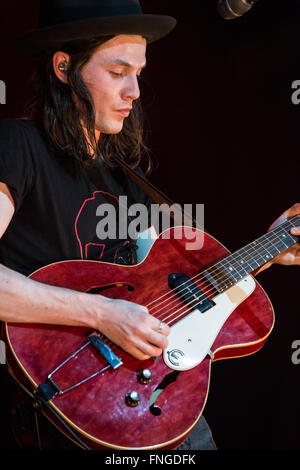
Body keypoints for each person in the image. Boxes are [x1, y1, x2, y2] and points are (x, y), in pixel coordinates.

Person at [0, 0, 299, 451]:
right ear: (64, 67)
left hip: (133, 399)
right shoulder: (16, 144)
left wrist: (274, 248)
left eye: (138, 72)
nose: (135, 90)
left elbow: (172, 293)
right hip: (53, 394)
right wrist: (102, 313)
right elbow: (116, 309)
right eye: (118, 71)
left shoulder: (125, 176)